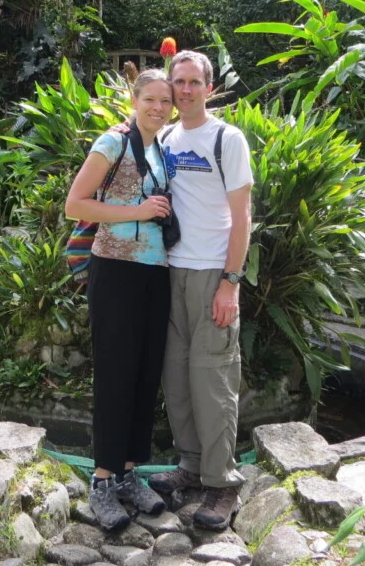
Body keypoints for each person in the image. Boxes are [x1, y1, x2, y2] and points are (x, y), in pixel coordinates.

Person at [64, 68, 175, 531]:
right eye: (150, 99)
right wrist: (138, 211)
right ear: (134, 100)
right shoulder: (113, 142)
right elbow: (75, 204)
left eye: (165, 101)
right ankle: (102, 482)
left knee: (146, 374)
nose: (158, 107)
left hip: (155, 272)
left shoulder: (161, 148)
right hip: (115, 269)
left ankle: (129, 474)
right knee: (115, 374)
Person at [148, 50, 254, 531]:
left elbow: (242, 216)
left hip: (214, 273)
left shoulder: (227, 139)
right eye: (179, 82)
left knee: (213, 380)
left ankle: (222, 481)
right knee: (177, 377)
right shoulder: (166, 137)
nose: (186, 90)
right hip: (170, 271)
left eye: (195, 82)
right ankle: (190, 465)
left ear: (210, 88)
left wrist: (231, 282)